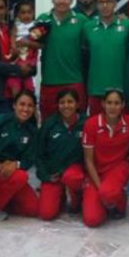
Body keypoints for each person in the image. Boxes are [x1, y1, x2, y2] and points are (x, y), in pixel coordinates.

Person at [0, 90, 41, 221]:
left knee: (33, 209)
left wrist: (16, 164)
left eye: (30, 105)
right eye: (22, 104)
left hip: (13, 174)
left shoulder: (32, 131)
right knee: (22, 176)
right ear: (14, 105)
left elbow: (29, 159)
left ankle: (0, 197)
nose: (25, 109)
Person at [81, 89, 129, 227]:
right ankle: (105, 199)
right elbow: (88, 160)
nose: (113, 107)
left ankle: (118, 199)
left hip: (118, 169)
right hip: (96, 172)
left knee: (107, 193)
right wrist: (99, 188)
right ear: (103, 104)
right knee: (92, 220)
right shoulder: (91, 124)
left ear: (123, 105)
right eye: (109, 103)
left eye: (117, 103)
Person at [34, 0, 88, 120]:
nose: (61, 1)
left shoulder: (81, 20)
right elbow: (32, 43)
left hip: (74, 81)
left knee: (77, 124)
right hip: (49, 81)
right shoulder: (43, 19)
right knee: (48, 124)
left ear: (72, 0)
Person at [83, 0, 129, 116]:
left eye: (109, 1)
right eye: (101, 2)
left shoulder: (128, 26)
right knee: (97, 125)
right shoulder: (88, 27)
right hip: (96, 89)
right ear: (96, 4)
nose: (105, 5)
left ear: (115, 3)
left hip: (120, 90)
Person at [36, 89, 87, 220]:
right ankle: (60, 196)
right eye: (62, 102)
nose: (66, 105)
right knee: (47, 213)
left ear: (77, 104)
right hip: (54, 173)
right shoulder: (49, 124)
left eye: (70, 102)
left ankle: (77, 200)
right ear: (57, 105)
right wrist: (45, 176)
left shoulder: (86, 123)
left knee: (72, 177)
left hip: (75, 173)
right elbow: (39, 153)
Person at [6, 0, 39, 99]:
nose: (26, 15)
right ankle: (16, 103)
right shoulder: (16, 26)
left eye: (29, 12)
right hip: (17, 59)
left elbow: (39, 44)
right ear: (18, 15)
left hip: (29, 59)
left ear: (33, 13)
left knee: (29, 89)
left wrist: (28, 43)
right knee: (15, 86)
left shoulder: (35, 27)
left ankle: (30, 104)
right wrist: (14, 46)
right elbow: (12, 37)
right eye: (23, 13)